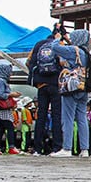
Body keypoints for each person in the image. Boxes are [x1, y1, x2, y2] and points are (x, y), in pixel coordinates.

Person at [49, 29, 91, 158]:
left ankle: (67, 148)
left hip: (71, 87)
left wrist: (57, 37)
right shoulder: (86, 52)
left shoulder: (74, 50)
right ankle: (85, 149)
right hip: (83, 87)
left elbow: (54, 47)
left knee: (67, 118)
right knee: (82, 118)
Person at [26, 26, 64, 155]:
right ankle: (57, 147)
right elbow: (63, 62)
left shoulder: (38, 45)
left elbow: (28, 62)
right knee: (56, 116)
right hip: (55, 84)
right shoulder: (59, 43)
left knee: (41, 116)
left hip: (41, 85)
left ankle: (38, 148)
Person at [0, 64, 22, 155]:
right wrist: (11, 94)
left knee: (2, 128)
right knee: (9, 126)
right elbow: (0, 94)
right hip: (2, 107)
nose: (10, 74)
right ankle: (11, 147)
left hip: (4, 107)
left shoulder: (0, 81)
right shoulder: (0, 81)